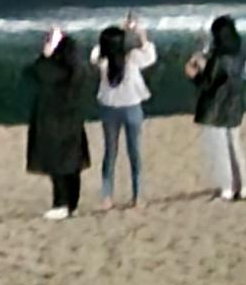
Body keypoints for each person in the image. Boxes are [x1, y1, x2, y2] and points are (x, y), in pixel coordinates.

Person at [23, 27, 95, 221]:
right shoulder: (77, 70)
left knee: (58, 165)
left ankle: (61, 204)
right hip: (73, 122)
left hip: (53, 122)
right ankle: (72, 204)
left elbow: (33, 73)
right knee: (72, 166)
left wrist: (44, 56)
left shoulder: (54, 70)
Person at [94, 17, 157, 208]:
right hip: (132, 108)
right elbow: (150, 56)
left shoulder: (103, 61)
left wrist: (119, 34)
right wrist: (140, 36)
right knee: (134, 153)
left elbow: (96, 52)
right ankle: (137, 196)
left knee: (110, 153)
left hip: (109, 109)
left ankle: (107, 196)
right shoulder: (132, 58)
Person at [188, 15, 246, 200]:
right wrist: (206, 66)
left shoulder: (219, 57)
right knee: (235, 147)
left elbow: (208, 83)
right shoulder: (239, 54)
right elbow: (224, 76)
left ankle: (227, 188)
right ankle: (243, 186)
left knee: (219, 150)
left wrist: (194, 74)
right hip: (234, 104)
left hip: (216, 107)